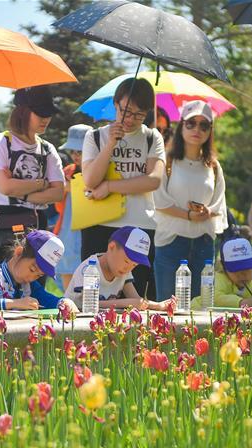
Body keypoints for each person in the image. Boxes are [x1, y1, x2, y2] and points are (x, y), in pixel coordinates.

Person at [81, 77, 166, 299]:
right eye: (125, 111)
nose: (130, 119)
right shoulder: (95, 136)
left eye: (139, 115)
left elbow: (154, 180)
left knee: (139, 297)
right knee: (95, 298)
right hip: (100, 225)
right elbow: (90, 179)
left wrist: (110, 186)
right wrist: (110, 144)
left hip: (139, 225)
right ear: (116, 103)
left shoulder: (152, 137)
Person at [153, 100, 228, 301]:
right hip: (171, 242)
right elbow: (159, 201)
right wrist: (188, 215)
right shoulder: (167, 161)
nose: (197, 129)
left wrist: (205, 213)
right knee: (168, 310)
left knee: (201, 309)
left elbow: (219, 203)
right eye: (191, 123)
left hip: (203, 243)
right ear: (181, 126)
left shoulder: (213, 166)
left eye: (204, 125)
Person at [0, 86, 65, 267]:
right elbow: (5, 187)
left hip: (38, 221)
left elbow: (58, 193)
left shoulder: (48, 149)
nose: (46, 119)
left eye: (49, 113)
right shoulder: (0, 142)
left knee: (35, 279)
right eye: (40, 113)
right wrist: (42, 183)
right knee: (0, 280)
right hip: (3, 221)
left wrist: (21, 190)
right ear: (22, 112)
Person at [66, 226, 173, 312]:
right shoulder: (89, 269)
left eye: (134, 265)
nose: (128, 268)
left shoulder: (123, 271)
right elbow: (88, 305)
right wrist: (127, 303)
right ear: (111, 247)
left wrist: (159, 305)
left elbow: (136, 300)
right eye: (126, 261)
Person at [0, 230, 76, 312]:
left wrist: (64, 302)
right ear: (18, 253)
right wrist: (15, 303)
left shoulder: (29, 286)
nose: (32, 278)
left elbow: (47, 299)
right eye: (32, 269)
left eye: (39, 275)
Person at [54, 124, 92, 289]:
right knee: (67, 267)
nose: (75, 156)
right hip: (68, 228)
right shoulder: (68, 171)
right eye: (73, 151)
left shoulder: (98, 170)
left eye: (80, 151)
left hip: (89, 226)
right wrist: (64, 187)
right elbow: (56, 199)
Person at [214, 237, 252, 308]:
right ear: (224, 268)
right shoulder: (219, 279)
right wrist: (241, 302)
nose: (243, 274)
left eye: (247, 269)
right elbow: (215, 299)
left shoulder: (250, 284)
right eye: (236, 270)